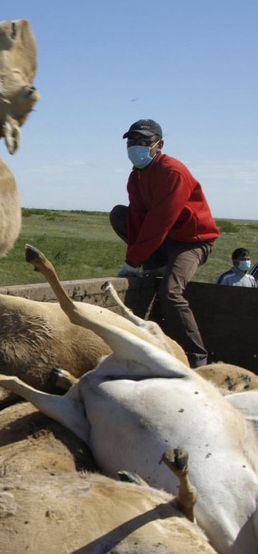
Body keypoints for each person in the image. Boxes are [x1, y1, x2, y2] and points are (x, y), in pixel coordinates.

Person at [109, 119, 220, 368]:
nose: (136, 147)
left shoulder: (172, 172)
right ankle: (156, 264)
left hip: (192, 240)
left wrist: (132, 261)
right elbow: (138, 218)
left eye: (144, 142)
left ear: (159, 145)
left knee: (170, 292)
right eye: (131, 141)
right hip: (166, 239)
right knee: (120, 214)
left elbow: (160, 221)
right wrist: (134, 258)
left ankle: (198, 360)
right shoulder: (136, 176)